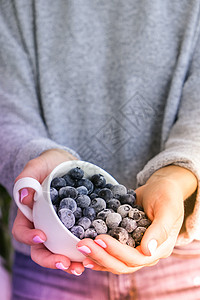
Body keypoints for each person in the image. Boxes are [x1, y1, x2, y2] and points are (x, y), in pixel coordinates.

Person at [0, 0, 200, 299]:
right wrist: (35, 156)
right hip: (51, 258)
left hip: (182, 260)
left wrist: (176, 175)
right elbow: (6, 109)